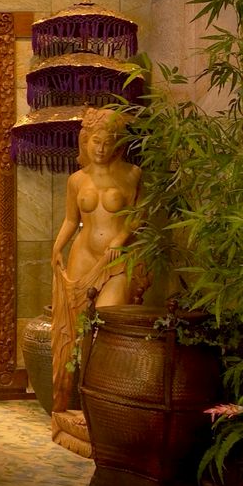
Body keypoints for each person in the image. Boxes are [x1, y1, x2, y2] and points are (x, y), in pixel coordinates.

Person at [50, 107, 142, 453]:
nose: (101, 148)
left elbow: (138, 217)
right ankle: (76, 406)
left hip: (116, 261)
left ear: (118, 144)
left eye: (108, 141)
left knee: (105, 328)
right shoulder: (77, 179)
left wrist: (121, 239)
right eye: (95, 141)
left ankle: (104, 406)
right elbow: (70, 220)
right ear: (85, 142)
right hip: (82, 256)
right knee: (76, 332)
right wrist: (56, 248)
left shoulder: (132, 174)